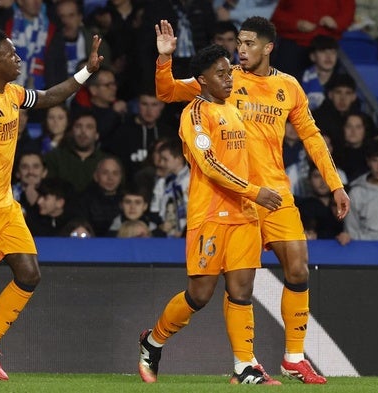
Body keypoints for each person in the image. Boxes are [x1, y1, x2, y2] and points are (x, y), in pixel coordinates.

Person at [154, 17, 350, 384]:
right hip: (234, 197)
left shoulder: (288, 87)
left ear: (267, 47)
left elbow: (311, 136)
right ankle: (242, 363)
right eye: (238, 43)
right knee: (221, 289)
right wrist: (165, 59)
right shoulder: (223, 78)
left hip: (275, 193)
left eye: (247, 43)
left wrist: (335, 183)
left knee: (298, 268)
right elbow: (166, 92)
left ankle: (293, 358)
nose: (239, 49)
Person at [0, 27, 103, 381]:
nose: (18, 58)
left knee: (29, 274)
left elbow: (49, 96)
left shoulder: (13, 93)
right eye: (11, 54)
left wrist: (87, 71)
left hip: (5, 204)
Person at [138, 44, 283, 385]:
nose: (229, 79)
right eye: (221, 74)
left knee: (242, 290)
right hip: (210, 215)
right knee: (199, 295)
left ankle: (245, 367)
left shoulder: (233, 103)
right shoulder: (194, 113)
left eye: (229, 72)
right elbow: (211, 165)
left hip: (245, 214)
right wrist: (163, 58)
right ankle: (152, 341)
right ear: (201, 80)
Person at [270, 0, 355, 81]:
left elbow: (348, 13)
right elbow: (275, 15)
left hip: (325, 45)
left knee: (328, 88)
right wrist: (296, 23)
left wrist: (336, 22)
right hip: (293, 44)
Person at [44, 109, 106, 193]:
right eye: (78, 126)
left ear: (97, 135)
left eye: (89, 127)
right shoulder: (54, 158)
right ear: (71, 131)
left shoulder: (106, 161)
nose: (83, 131)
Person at [78, 154, 125, 237]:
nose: (110, 178)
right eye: (105, 173)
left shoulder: (127, 199)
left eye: (115, 173)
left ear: (121, 177)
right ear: (96, 176)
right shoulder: (84, 200)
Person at [301, 35, 341, 111]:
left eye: (333, 52)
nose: (329, 57)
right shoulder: (297, 80)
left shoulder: (342, 81)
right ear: (313, 56)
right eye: (323, 52)